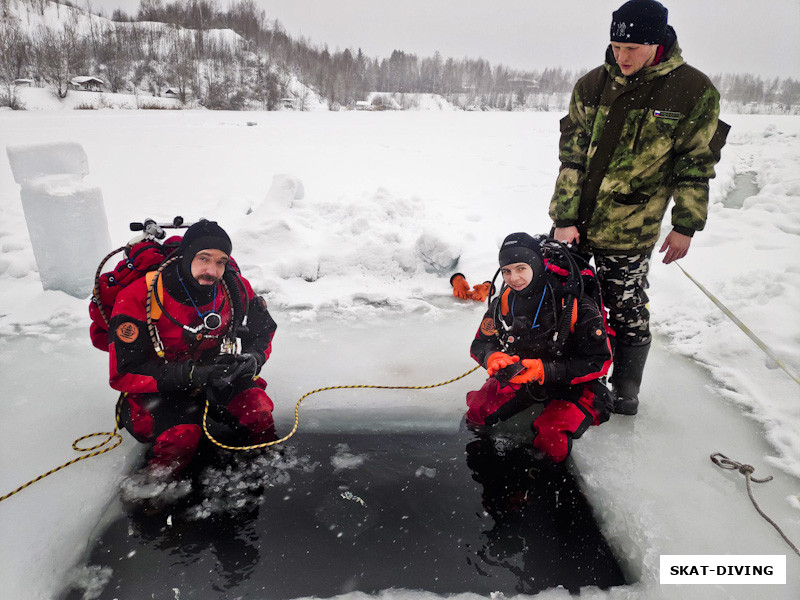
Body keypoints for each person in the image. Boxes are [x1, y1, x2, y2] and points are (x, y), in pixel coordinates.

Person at [549, 0, 729, 415]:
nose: (622, 56)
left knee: (625, 307)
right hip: (574, 225)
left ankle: (625, 388)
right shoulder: (592, 84)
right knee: (565, 302)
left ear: (657, 43)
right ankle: (565, 377)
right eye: (615, 46)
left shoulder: (692, 90)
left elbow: (695, 164)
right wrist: (563, 218)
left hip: (631, 228)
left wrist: (686, 224)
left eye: (632, 48)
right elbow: (572, 156)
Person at [108, 219, 278, 477]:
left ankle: (268, 471)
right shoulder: (140, 295)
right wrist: (190, 374)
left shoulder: (235, 288)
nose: (212, 270)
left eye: (221, 261)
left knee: (258, 412)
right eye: (204, 258)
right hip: (160, 384)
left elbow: (263, 330)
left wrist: (253, 358)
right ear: (186, 257)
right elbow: (125, 371)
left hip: (217, 373)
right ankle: (151, 492)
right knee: (181, 438)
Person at [465, 233, 613, 463]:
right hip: (523, 377)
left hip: (575, 384)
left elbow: (599, 361)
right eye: (507, 271)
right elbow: (480, 344)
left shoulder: (574, 303)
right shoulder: (504, 301)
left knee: (551, 435)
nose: (514, 278)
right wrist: (492, 357)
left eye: (521, 268)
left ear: (536, 263)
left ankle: (549, 483)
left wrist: (547, 370)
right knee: (478, 411)